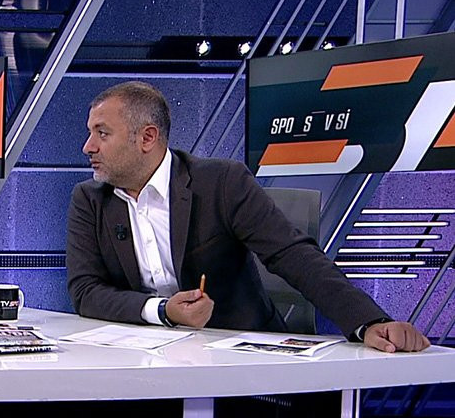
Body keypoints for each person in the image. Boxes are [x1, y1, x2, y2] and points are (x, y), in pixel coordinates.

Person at [67, 81, 429, 353]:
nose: (87, 146)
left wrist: (369, 321)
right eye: (89, 133)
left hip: (236, 358)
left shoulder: (221, 182)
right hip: (146, 360)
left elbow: (293, 254)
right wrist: (162, 311)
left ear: (147, 138)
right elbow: (85, 291)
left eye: (102, 133)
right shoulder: (90, 199)